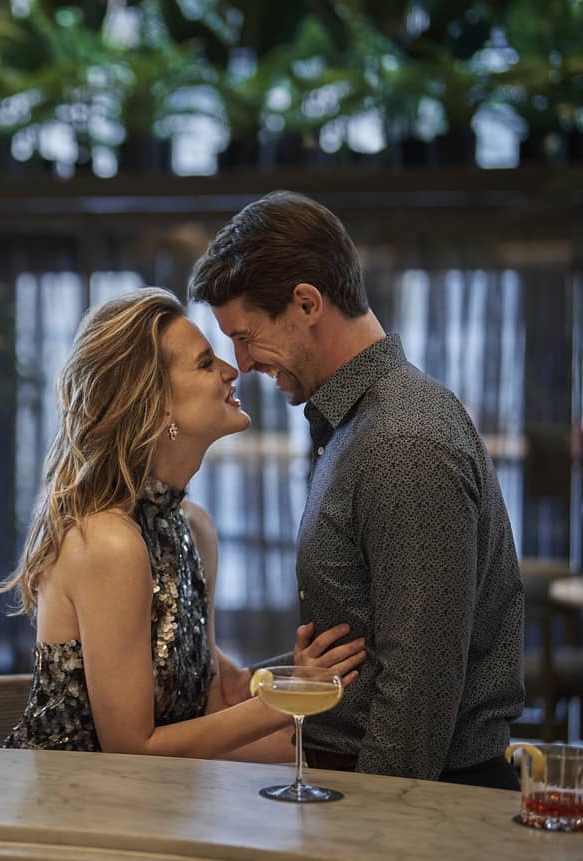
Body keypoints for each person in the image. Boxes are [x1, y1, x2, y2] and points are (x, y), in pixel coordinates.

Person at [189, 190, 524, 788]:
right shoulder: (361, 425)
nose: (239, 363)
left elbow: (416, 695)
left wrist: (370, 836)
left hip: (415, 804)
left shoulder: (402, 438)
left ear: (307, 303)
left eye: (246, 335)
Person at [0, 288, 364, 757]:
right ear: (158, 404)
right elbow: (131, 750)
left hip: (159, 804)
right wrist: (285, 700)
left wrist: (342, 749)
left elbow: (208, 711)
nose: (233, 370)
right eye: (206, 362)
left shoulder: (194, 529)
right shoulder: (108, 542)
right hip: (70, 811)